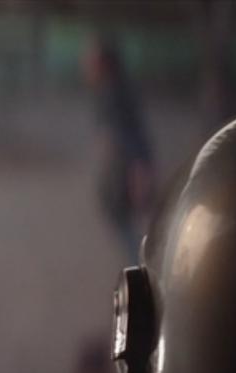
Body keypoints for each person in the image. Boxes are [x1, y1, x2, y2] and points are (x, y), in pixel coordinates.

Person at [84, 33, 155, 265]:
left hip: (125, 168)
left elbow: (130, 137)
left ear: (104, 64)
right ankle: (141, 260)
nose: (86, 65)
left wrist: (139, 172)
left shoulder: (114, 95)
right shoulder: (110, 91)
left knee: (122, 215)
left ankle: (142, 264)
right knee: (119, 213)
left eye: (92, 61)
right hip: (121, 167)